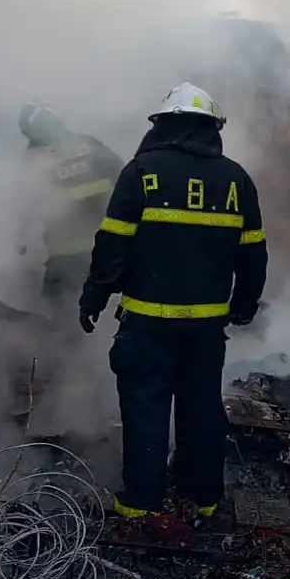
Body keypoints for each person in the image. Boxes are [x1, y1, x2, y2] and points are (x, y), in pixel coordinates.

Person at [78, 82, 267, 527]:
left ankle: (142, 501)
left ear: (162, 125)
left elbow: (112, 245)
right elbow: (253, 253)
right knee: (201, 408)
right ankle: (201, 497)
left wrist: (95, 296)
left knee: (145, 408)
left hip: (147, 322)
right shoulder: (236, 179)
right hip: (206, 327)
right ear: (212, 129)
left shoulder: (141, 172)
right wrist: (244, 305)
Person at [18, 102, 125, 308]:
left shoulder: (34, 158)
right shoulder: (89, 144)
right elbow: (123, 175)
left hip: (63, 252)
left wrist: (21, 240)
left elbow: (24, 201)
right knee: (101, 299)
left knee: (60, 305)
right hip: (101, 244)